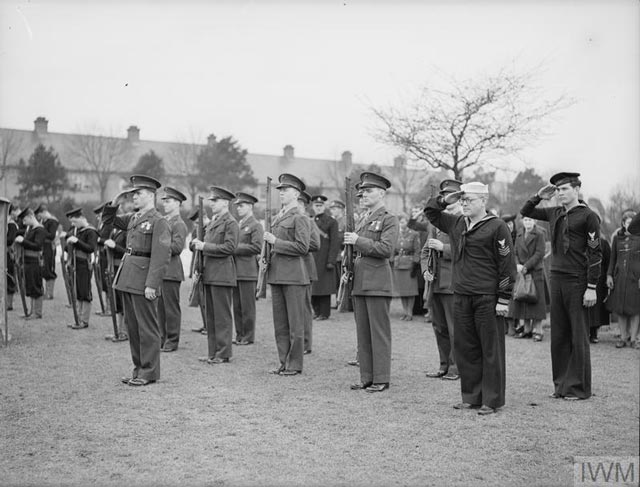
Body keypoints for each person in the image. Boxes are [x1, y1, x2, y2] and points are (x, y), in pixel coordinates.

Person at [425, 181, 516, 415]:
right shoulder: (456, 223)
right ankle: (471, 396)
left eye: (469, 200)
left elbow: (507, 265)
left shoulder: (497, 227)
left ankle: (492, 399)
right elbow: (431, 212)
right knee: (466, 348)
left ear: (484, 201)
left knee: (490, 350)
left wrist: (504, 299)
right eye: (462, 200)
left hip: (487, 296)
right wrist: (447, 200)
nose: (464, 204)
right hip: (461, 294)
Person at [521, 172, 601, 401]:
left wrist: (592, 286)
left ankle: (578, 388)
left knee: (578, 334)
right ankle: (561, 385)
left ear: (576, 190)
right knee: (559, 335)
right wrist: (538, 196)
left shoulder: (588, 216)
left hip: (577, 280)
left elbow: (595, 253)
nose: (560, 193)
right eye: (557, 190)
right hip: (556, 276)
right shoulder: (554, 212)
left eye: (564, 189)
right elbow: (525, 212)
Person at [102, 175, 171, 387]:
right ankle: (138, 368)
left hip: (144, 280)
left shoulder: (158, 221)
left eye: (138, 194)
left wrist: (152, 284)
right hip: (129, 276)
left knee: (147, 327)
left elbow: (161, 256)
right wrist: (115, 202)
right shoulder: (133, 218)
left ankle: (149, 371)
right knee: (133, 327)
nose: (133, 197)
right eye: (132, 194)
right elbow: (108, 223)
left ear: (151, 195)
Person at [345, 171, 399, 393]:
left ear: (381, 193)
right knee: (363, 333)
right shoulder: (363, 219)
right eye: (362, 192)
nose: (363, 195)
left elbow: (386, 249)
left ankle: (381, 378)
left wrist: (359, 240)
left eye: (368, 191)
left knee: (378, 333)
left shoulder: (388, 219)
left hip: (377, 280)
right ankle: (366, 376)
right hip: (360, 280)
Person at [264, 173, 311, 376]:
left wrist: (276, 243)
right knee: (280, 324)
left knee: (295, 324)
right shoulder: (278, 217)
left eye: (286, 190)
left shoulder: (300, 217)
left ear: (296, 194)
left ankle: (295, 364)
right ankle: (283, 361)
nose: (281, 193)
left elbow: (303, 247)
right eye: (280, 190)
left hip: (293, 275)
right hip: (277, 274)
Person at [191, 186, 239, 364]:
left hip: (222, 274)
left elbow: (229, 248)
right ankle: (213, 352)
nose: (212, 204)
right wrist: (197, 244)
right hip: (210, 273)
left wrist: (204, 247)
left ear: (225, 203)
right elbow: (203, 244)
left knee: (222, 316)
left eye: (215, 201)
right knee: (210, 316)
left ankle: (223, 353)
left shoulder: (230, 222)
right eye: (211, 201)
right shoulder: (212, 222)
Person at [422, 179, 462, 381]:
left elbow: (468, 250)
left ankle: (456, 367)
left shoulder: (464, 221)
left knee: (455, 328)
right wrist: (424, 270)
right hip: (435, 282)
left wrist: (443, 248)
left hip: (453, 282)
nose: (449, 200)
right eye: (445, 196)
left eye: (452, 196)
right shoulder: (436, 222)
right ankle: (443, 364)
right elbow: (425, 251)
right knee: (439, 327)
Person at [508, 216, 548, 342]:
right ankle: (526, 329)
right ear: (522, 222)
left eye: (530, 220)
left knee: (535, 301)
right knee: (523, 298)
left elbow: (539, 253)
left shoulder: (539, 234)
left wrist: (526, 266)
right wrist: (517, 265)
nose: (528, 222)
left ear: (535, 221)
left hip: (535, 271)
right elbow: (514, 252)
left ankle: (538, 330)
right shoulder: (520, 234)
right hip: (521, 271)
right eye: (525, 220)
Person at [158, 187, 188, 352]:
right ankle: (162, 338)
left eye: (168, 201)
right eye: (164, 201)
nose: (165, 204)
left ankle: (172, 340)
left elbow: (177, 247)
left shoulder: (178, 223)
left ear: (177, 203)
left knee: (171, 309)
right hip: (161, 271)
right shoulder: (165, 221)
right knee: (160, 309)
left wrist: (159, 245)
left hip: (171, 271)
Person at [232, 192, 263, 345]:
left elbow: (257, 247)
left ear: (250, 207)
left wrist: (235, 248)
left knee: (247, 307)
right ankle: (239, 334)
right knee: (237, 306)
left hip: (248, 271)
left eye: (241, 205)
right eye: (237, 206)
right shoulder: (238, 224)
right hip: (236, 271)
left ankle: (248, 335)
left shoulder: (255, 225)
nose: (238, 208)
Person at [607, 209, 640, 349]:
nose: (629, 224)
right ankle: (623, 338)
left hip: (635, 279)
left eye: (632, 222)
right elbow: (612, 258)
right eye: (627, 222)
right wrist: (609, 275)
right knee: (620, 310)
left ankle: (634, 339)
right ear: (623, 223)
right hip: (619, 278)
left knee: (635, 309)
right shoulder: (617, 238)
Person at [103, 197, 133, 342]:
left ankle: (125, 331)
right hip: (112, 266)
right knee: (116, 300)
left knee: (123, 300)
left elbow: (128, 250)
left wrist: (114, 246)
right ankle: (118, 330)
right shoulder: (112, 230)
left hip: (122, 265)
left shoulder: (127, 230)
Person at [64, 208, 99, 329]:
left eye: (74, 222)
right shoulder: (76, 230)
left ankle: (84, 320)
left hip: (85, 263)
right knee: (77, 291)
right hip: (75, 263)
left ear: (81, 219)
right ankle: (78, 318)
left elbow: (90, 248)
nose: (73, 225)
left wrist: (77, 241)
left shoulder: (91, 231)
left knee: (84, 292)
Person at [310, 195, 340, 321]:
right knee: (313, 287)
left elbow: (334, 243)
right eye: (316, 206)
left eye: (320, 205)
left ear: (324, 206)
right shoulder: (309, 220)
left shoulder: (331, 222)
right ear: (312, 207)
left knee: (324, 287)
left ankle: (324, 313)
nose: (318, 208)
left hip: (324, 258)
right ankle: (316, 311)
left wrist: (331, 260)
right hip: (312, 258)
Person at [298, 191, 320, 355]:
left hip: (305, 266)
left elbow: (315, 244)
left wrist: (298, 244)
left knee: (304, 307)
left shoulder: (309, 222)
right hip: (291, 269)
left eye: (299, 203)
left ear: (304, 206)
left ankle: (306, 343)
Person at [14, 208, 47, 320]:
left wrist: (23, 241)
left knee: (36, 285)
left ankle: (37, 312)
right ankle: (32, 311)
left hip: (35, 261)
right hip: (28, 261)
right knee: (30, 285)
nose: (23, 223)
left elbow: (37, 245)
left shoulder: (40, 230)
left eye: (24, 220)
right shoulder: (30, 229)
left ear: (30, 217)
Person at [392, 212, 421, 320]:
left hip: (409, 264)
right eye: (399, 222)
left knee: (410, 291)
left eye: (403, 222)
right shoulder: (395, 234)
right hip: (398, 264)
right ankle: (404, 311)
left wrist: (415, 263)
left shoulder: (414, 234)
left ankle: (410, 312)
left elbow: (417, 250)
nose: (401, 224)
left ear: (407, 222)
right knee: (402, 290)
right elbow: (392, 250)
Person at [188, 207, 211, 335]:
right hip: (197, 265)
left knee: (207, 299)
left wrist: (202, 243)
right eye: (195, 223)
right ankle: (205, 324)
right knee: (200, 298)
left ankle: (209, 325)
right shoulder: (196, 230)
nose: (196, 225)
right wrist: (194, 243)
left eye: (198, 222)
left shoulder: (210, 228)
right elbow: (190, 246)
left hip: (207, 266)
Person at [34, 204, 59, 300]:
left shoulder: (52, 221)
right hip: (44, 246)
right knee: (44, 269)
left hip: (49, 247)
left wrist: (41, 231)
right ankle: (47, 292)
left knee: (49, 268)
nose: (39, 218)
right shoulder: (45, 222)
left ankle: (50, 293)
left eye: (40, 215)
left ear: (44, 212)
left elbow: (51, 235)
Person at [6, 204, 20, 311]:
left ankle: (8, 303)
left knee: (9, 277)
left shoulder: (11, 224)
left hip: (8, 254)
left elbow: (10, 240)